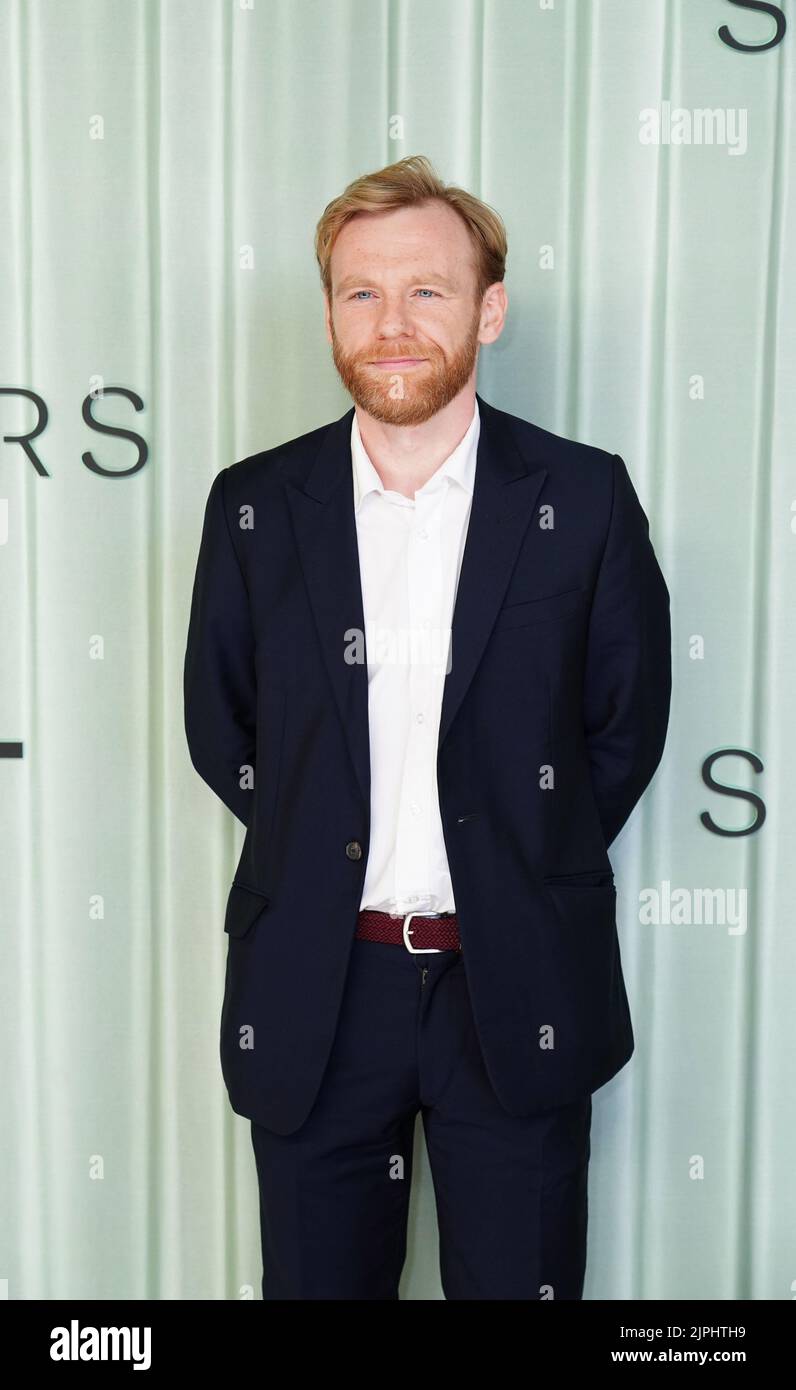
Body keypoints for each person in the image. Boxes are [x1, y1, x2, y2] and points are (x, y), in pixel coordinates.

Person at [183, 154, 672, 1300]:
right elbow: (228, 721)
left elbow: (623, 723)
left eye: (427, 291)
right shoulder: (254, 505)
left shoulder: (582, 498)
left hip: (514, 988)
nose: (391, 323)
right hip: (319, 984)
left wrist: (516, 862)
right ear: (327, 311)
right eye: (361, 292)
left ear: (488, 310)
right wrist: (326, 841)